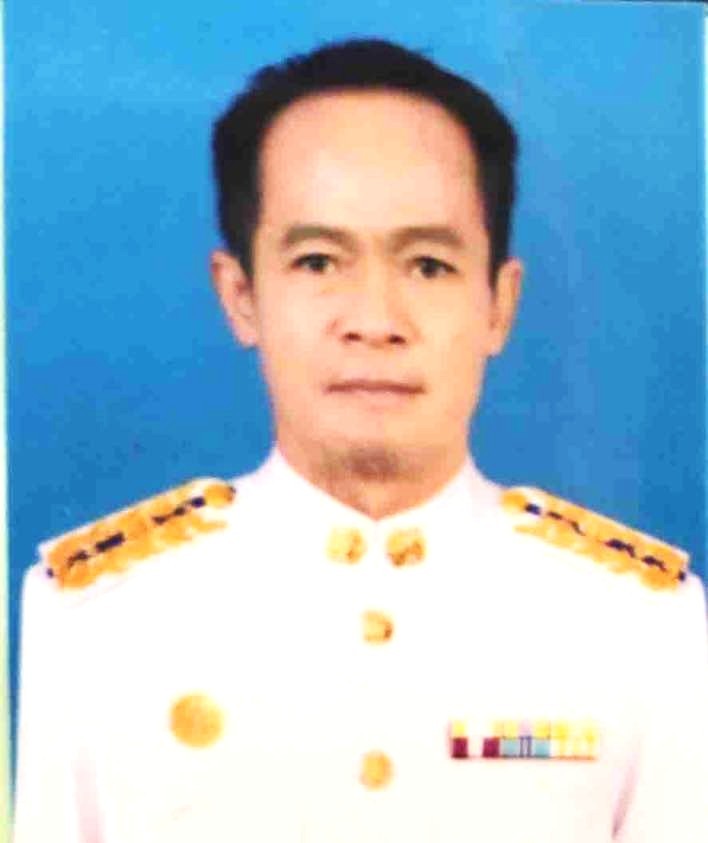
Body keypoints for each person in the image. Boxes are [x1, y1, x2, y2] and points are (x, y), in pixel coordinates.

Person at [13, 38, 708, 843]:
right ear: (240, 295)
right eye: (317, 261)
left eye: (429, 266)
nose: (374, 321)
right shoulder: (91, 619)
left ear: (499, 303)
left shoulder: (641, 626)